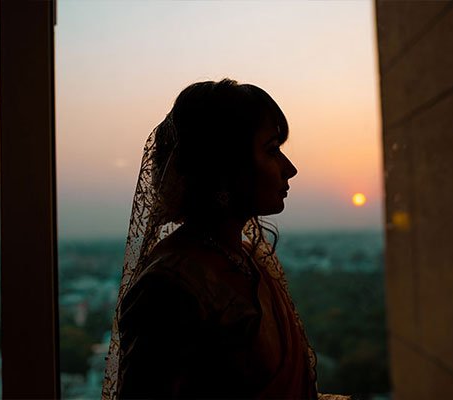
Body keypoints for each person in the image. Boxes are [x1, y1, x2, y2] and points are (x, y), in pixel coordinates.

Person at [102, 79, 350, 399]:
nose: (290, 169)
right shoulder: (172, 285)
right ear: (224, 166)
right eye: (272, 150)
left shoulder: (247, 259)